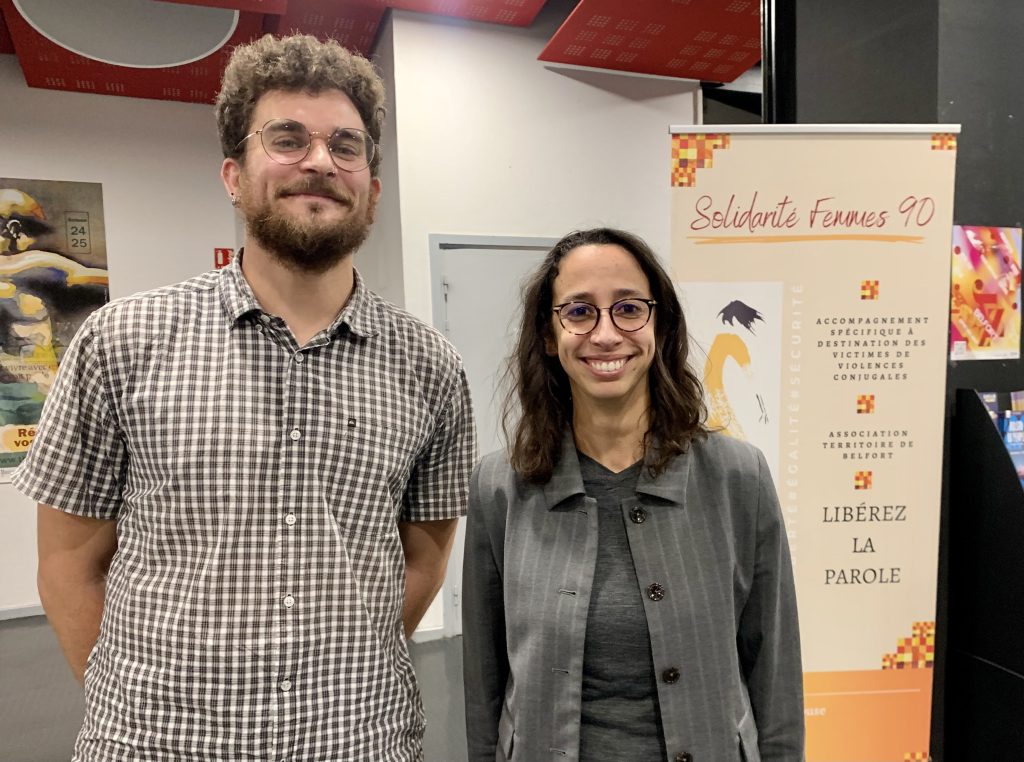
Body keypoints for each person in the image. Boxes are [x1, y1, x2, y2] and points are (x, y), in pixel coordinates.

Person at [13, 34, 476, 761]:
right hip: (158, 746)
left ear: (372, 189)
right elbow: (67, 564)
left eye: (345, 146)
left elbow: (423, 558)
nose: (320, 162)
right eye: (287, 138)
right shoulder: (121, 340)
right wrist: (139, 707)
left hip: (358, 741)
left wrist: (345, 664)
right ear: (234, 174)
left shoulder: (432, 367)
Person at [462, 228, 804, 762]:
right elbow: (484, 683)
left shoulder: (739, 479)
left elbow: (774, 674)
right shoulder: (499, 487)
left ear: (660, 324)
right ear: (550, 336)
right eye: (579, 311)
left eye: (628, 308)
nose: (604, 334)